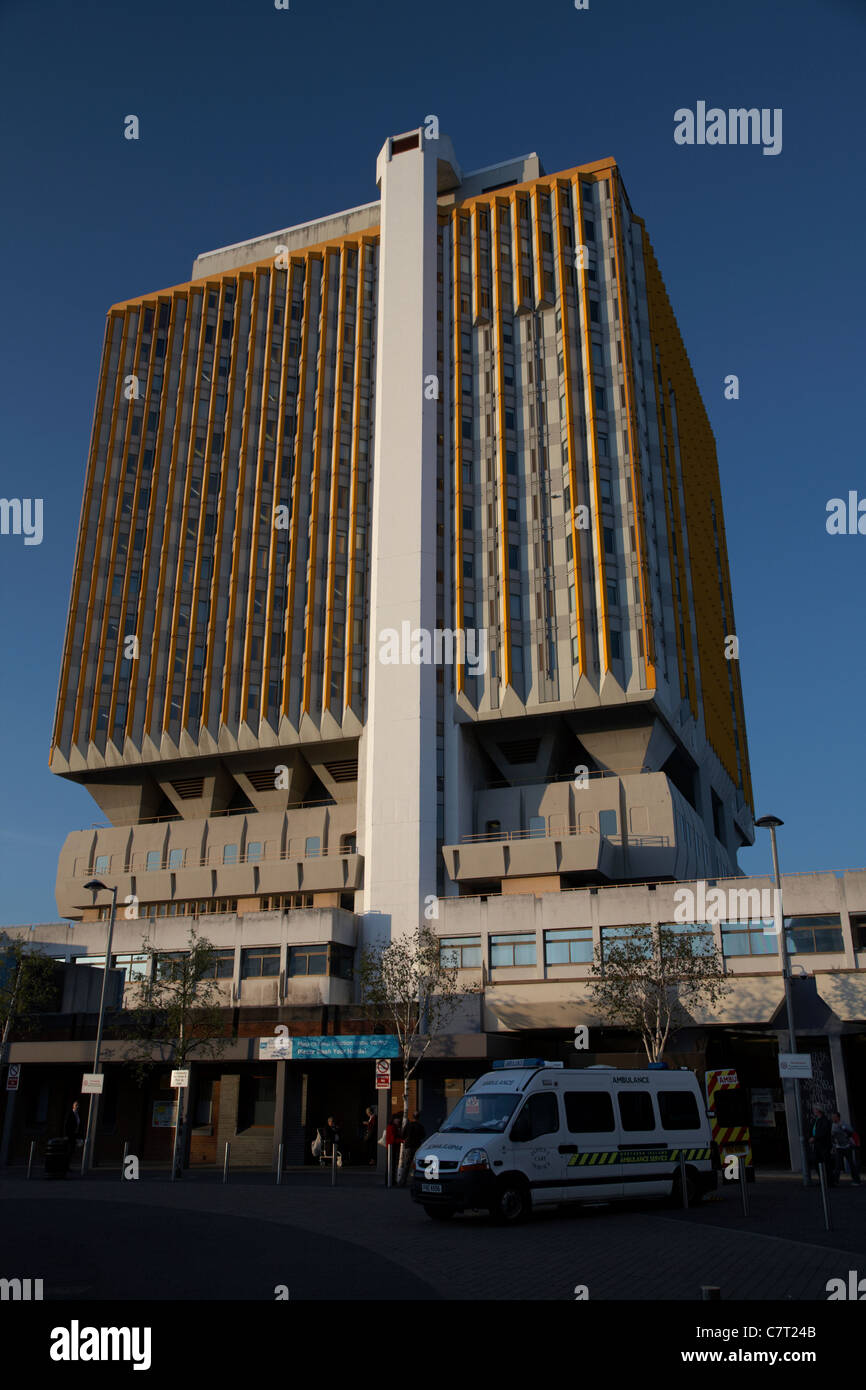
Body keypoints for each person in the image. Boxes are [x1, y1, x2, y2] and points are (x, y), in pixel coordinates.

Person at [831, 1111, 860, 1185]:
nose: (833, 1118)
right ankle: (835, 1181)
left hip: (846, 1147)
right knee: (838, 1165)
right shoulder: (833, 1125)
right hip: (838, 1147)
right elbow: (832, 1136)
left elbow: (851, 1132)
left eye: (834, 1117)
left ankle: (856, 1180)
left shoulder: (843, 1124)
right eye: (832, 1117)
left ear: (838, 1117)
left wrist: (844, 1129)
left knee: (851, 1164)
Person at [811, 1107, 835, 1184]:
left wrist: (815, 1138)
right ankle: (823, 1179)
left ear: (819, 1110)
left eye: (815, 1110)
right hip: (817, 1145)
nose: (814, 1111)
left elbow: (824, 1132)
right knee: (817, 1162)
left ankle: (829, 1181)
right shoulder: (816, 1120)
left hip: (824, 1145)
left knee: (826, 1163)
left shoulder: (824, 1120)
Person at [402, 1111, 426, 1175]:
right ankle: (414, 1178)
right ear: (418, 1118)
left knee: (406, 1164)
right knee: (415, 1164)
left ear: (413, 1117)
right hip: (416, 1146)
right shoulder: (420, 1126)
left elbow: (403, 1134)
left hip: (408, 1146)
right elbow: (423, 1135)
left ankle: (403, 1181)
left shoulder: (408, 1125)